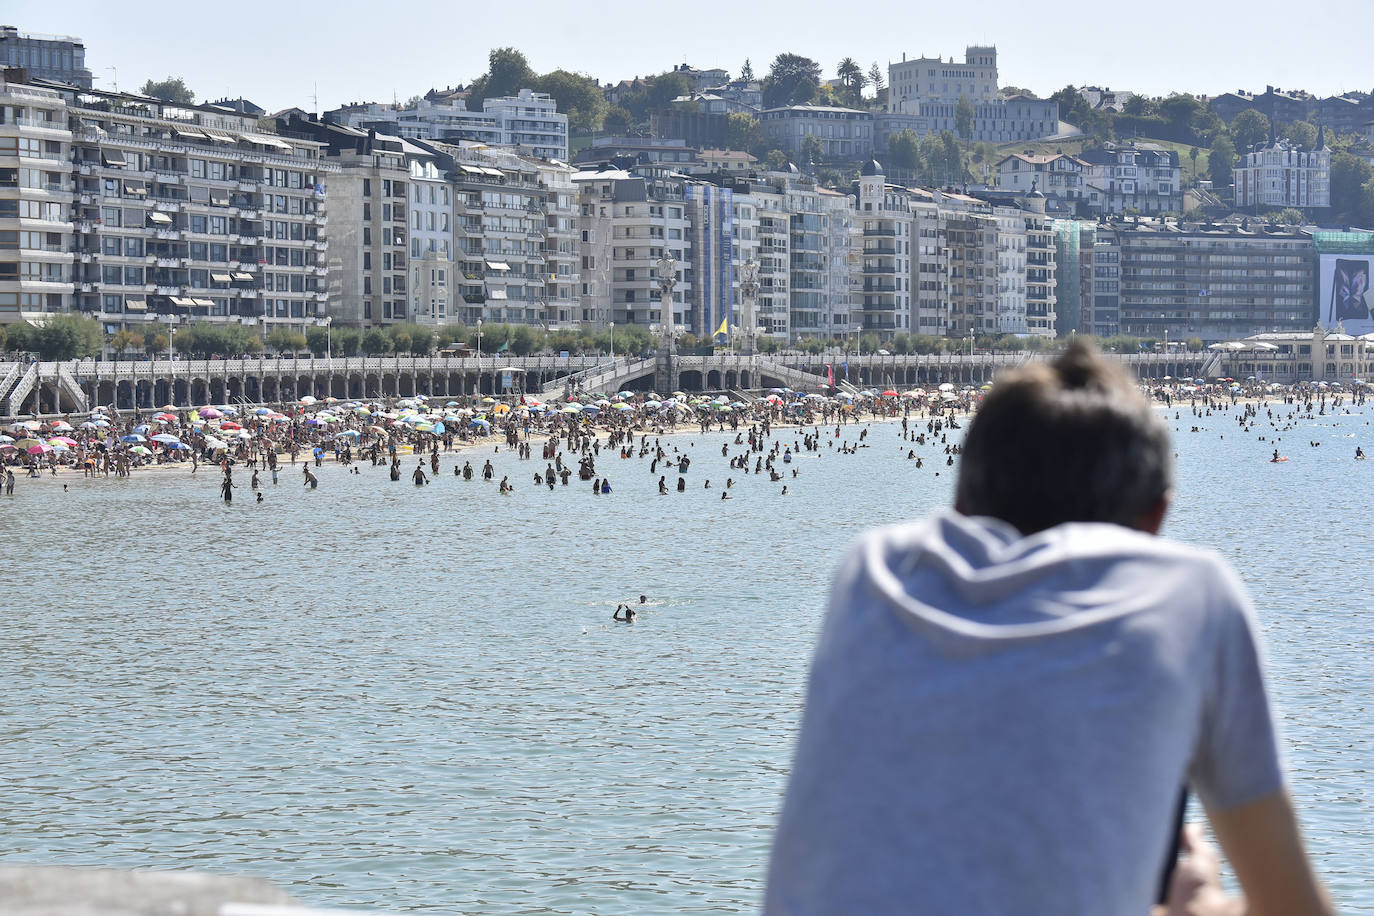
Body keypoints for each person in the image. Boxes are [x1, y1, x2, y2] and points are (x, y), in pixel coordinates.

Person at [764, 341, 1332, 916]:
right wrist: (1197, 907)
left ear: (961, 505)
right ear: (1157, 517)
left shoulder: (876, 574)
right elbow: (1295, 906)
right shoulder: (1194, 594)